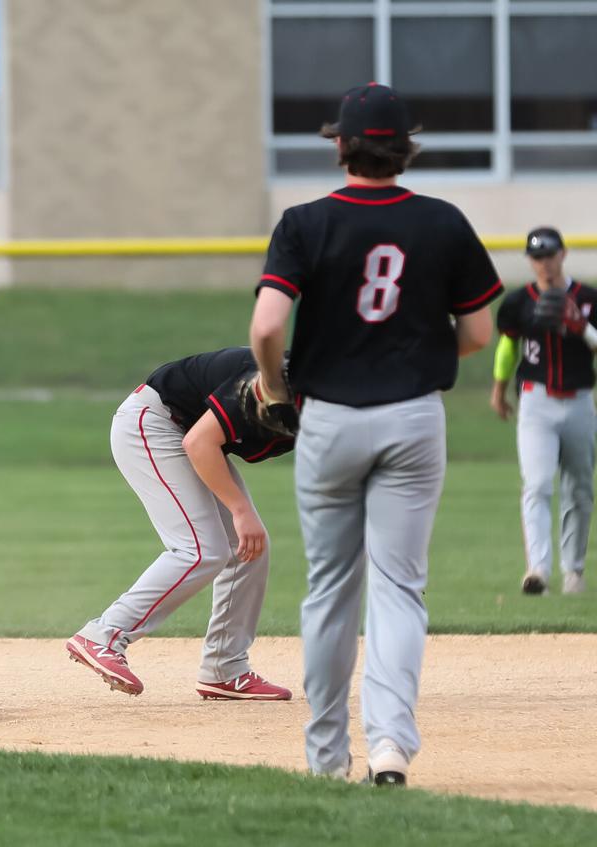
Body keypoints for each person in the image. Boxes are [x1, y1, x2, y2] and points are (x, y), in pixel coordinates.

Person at [249, 83, 501, 787]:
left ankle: (327, 756)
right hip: (414, 418)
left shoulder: (303, 222)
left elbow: (268, 326)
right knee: (399, 588)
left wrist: (272, 387)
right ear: (405, 146)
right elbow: (479, 329)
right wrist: (422, 353)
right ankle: (391, 744)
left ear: (341, 145)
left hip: (329, 417)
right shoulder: (442, 221)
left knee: (331, 588)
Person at [66, 347, 296, 702]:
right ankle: (103, 635)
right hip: (155, 424)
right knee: (201, 550)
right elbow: (199, 441)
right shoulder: (274, 382)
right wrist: (239, 509)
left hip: (189, 434)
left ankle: (225, 669)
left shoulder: (333, 402)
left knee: (248, 549)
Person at [491, 227, 596, 596]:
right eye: (536, 256)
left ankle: (574, 572)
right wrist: (498, 389)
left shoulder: (588, 298)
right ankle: (537, 570)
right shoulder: (519, 301)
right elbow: (508, 348)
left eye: (549, 254)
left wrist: (582, 328)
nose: (544, 262)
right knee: (536, 485)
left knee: (579, 489)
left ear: (563, 254)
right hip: (535, 402)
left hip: (581, 400)